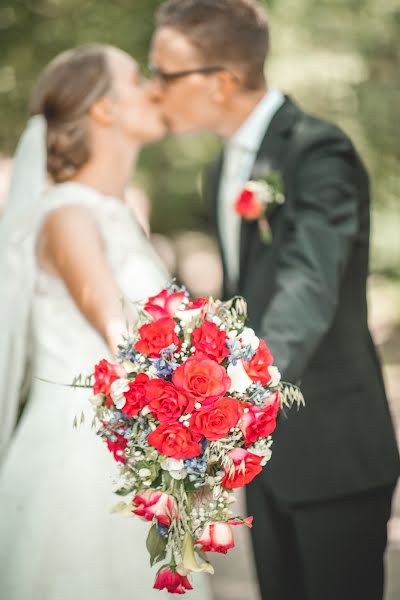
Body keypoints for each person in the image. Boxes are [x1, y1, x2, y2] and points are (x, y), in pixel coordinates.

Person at [149, 1, 400, 599]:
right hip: (266, 459)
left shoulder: (318, 152)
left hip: (335, 451)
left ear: (220, 82)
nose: (153, 89)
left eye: (164, 74)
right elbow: (246, 296)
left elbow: (308, 288)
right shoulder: (219, 171)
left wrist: (233, 390)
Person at [0, 45, 210, 600]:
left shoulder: (114, 210)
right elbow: (127, 344)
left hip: (130, 443)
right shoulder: (69, 212)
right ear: (103, 110)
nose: (154, 89)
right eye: (138, 79)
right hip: (84, 459)